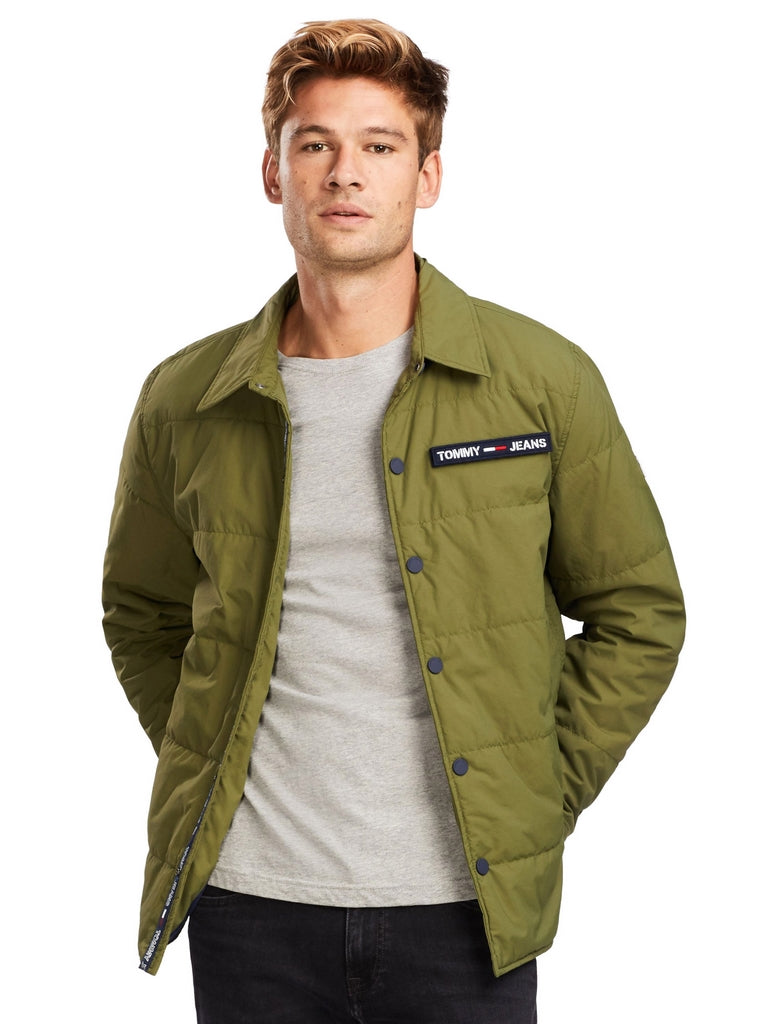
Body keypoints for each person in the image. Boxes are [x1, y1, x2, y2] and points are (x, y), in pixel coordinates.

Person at [102, 18, 685, 1023]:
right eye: (315, 144)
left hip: (466, 905)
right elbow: (141, 615)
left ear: (428, 175)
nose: (346, 172)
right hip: (250, 902)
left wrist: (535, 787)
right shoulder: (187, 398)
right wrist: (215, 759)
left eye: (380, 145)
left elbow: (639, 612)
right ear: (273, 173)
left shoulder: (540, 380)